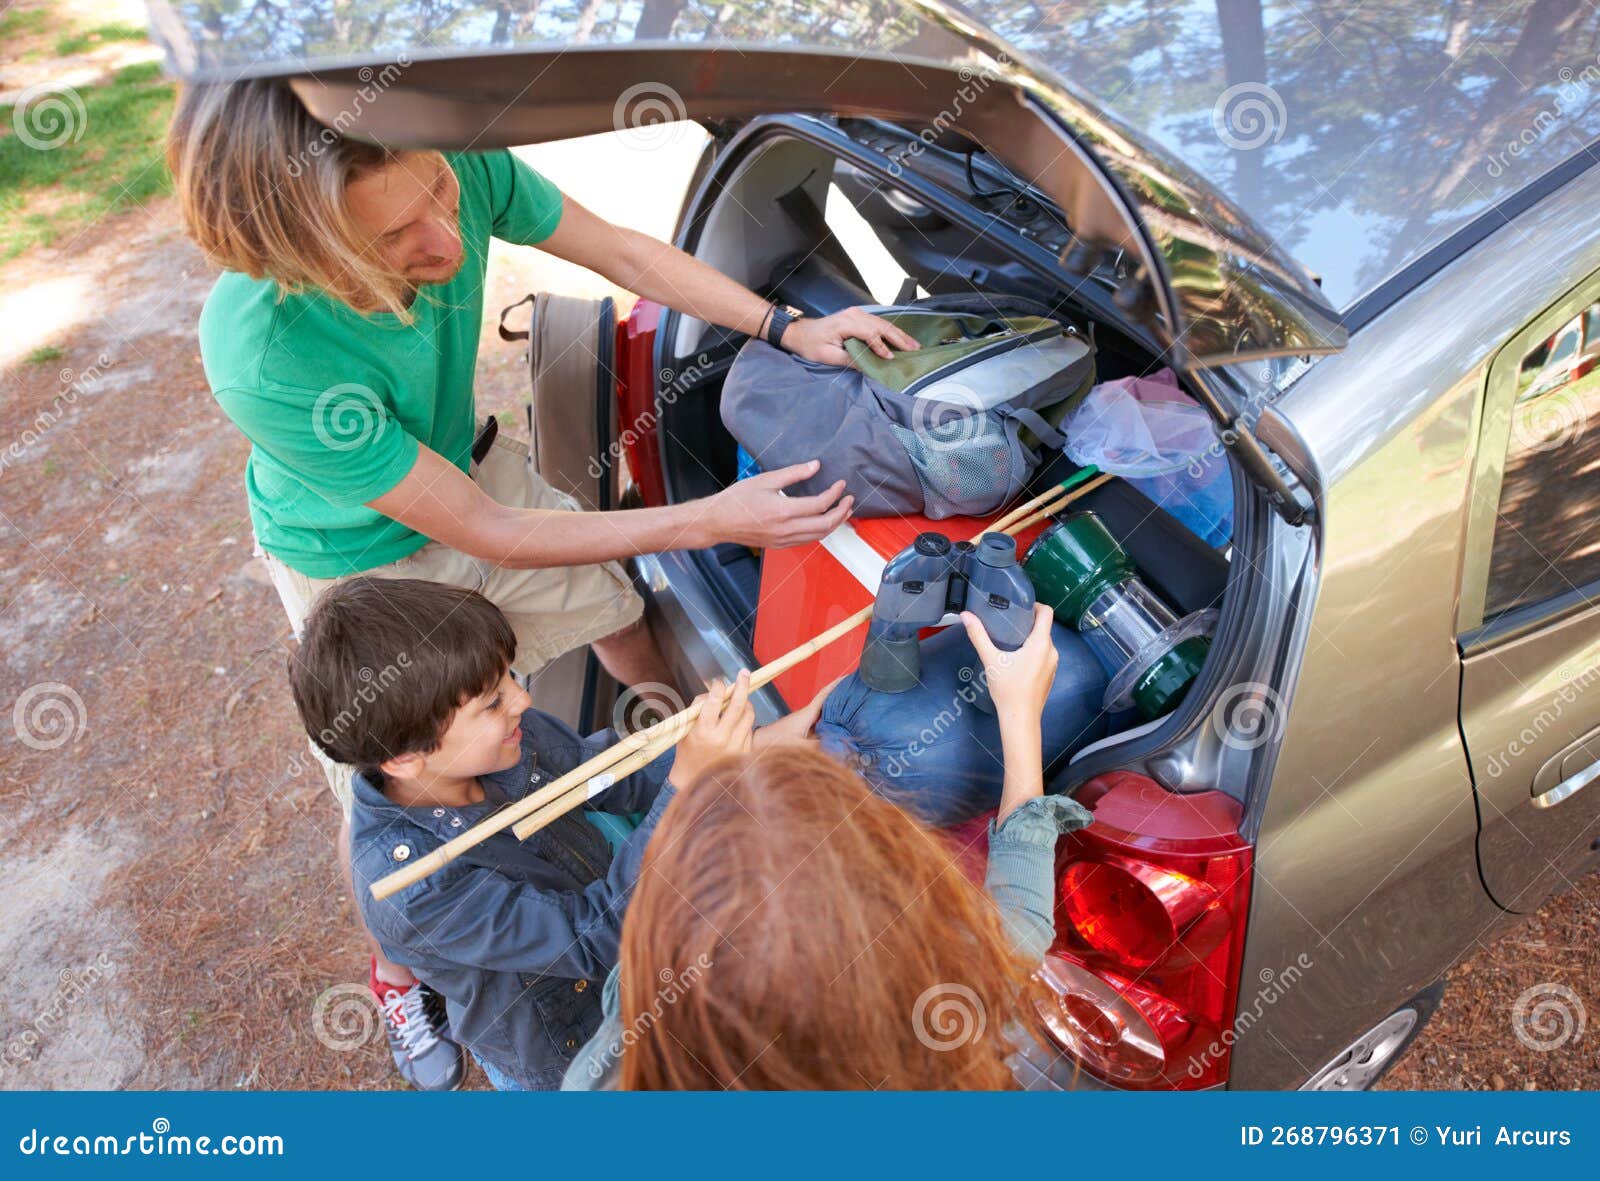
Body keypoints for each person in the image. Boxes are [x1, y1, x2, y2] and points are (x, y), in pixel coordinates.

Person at [166, 78, 918, 1086]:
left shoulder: (442, 154)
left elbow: (621, 254)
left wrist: (785, 328)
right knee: (395, 792)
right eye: (395, 240)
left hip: (464, 467)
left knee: (616, 615)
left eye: (439, 191)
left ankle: (662, 766)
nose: (446, 240)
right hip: (356, 554)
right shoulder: (260, 351)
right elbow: (482, 535)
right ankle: (403, 970)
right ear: (301, 254)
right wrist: (712, 518)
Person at [286, 577, 826, 1090]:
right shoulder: (416, 890)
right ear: (404, 759)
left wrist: (755, 750)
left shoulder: (504, 740)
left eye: (509, 680)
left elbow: (617, 773)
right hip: (569, 1051)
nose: (521, 701)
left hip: (642, 961)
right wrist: (688, 785)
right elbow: (592, 937)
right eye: (492, 703)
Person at [564, 603, 1094, 1090]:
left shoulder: (610, 1069)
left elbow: (1004, 946)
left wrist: (743, 760)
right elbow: (1012, 935)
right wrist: (1020, 716)